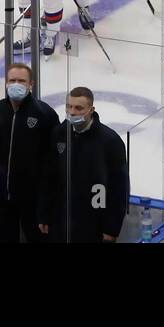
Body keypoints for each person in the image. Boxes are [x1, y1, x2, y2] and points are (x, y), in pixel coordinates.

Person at [38, 87, 129, 243]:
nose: (72, 112)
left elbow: (119, 189)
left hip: (93, 224)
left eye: (78, 108)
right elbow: (48, 177)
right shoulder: (59, 133)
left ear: (91, 110)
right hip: (61, 220)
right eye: (69, 106)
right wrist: (43, 214)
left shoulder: (110, 141)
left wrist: (111, 228)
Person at [0, 62, 58, 243]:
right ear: (6, 83)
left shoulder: (45, 115)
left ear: (31, 84)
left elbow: (51, 159)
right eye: (12, 80)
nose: (16, 84)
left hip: (32, 197)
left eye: (22, 81)